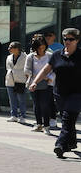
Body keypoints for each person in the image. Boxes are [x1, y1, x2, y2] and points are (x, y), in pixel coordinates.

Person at [29, 28, 81, 159]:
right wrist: (35, 82)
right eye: (65, 39)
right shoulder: (57, 54)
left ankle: (60, 145)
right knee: (69, 120)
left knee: (67, 119)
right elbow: (46, 69)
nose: (67, 41)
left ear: (77, 40)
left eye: (71, 39)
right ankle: (71, 143)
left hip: (76, 94)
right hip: (60, 93)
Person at [25, 38, 55, 133]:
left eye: (43, 47)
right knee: (37, 104)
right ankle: (39, 124)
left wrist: (47, 78)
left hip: (47, 83)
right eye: (40, 48)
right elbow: (27, 70)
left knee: (44, 104)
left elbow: (54, 69)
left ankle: (46, 126)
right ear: (35, 48)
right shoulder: (30, 57)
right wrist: (32, 78)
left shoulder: (50, 56)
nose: (42, 50)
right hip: (34, 83)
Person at [4, 41, 29, 123]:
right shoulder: (8, 57)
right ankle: (13, 115)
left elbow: (27, 69)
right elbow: (8, 68)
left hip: (21, 80)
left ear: (17, 49)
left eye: (11, 47)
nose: (9, 49)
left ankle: (23, 116)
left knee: (21, 99)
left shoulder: (25, 57)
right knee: (12, 99)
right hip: (10, 79)